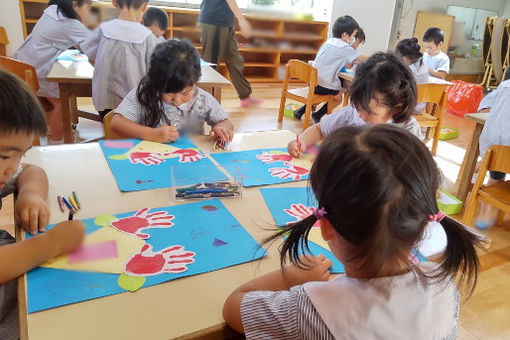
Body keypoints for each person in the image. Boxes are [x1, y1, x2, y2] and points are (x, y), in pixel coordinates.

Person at [223, 124, 483, 339]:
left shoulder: (309, 309)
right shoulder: (445, 286)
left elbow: (233, 307)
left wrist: (291, 278)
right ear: (425, 223)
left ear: (325, 228)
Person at [0, 69, 85, 340]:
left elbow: (31, 170)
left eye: (19, 153)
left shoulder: (8, 168)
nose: (11, 167)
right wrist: (50, 244)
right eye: (4, 156)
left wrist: (31, 195)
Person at [288, 52, 422, 158]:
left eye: (369, 111)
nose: (360, 114)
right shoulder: (352, 114)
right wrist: (301, 143)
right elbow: (319, 129)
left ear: (397, 108)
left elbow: (415, 173)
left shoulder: (408, 131)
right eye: (358, 106)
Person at [110, 39, 233, 143]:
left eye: (185, 93)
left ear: (195, 82)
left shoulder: (202, 99)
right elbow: (116, 123)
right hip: (154, 158)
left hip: (191, 161)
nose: (177, 100)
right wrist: (152, 134)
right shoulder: (145, 94)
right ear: (156, 81)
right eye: (168, 92)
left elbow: (225, 121)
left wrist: (222, 128)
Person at [15, 0, 91, 143]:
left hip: (25, 64)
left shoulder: (53, 10)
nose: (89, 11)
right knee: (59, 100)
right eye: (88, 6)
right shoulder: (69, 24)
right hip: (37, 71)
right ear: (75, 4)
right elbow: (92, 47)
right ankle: (58, 140)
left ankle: (53, 129)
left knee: (53, 97)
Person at [81, 0, 158, 120]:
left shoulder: (104, 29)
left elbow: (91, 58)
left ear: (114, 2)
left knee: (109, 129)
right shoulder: (148, 37)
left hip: (105, 100)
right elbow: (155, 73)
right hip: (136, 104)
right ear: (144, 6)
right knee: (131, 135)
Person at [295, 15, 366, 123]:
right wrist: (376, 58)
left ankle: (300, 111)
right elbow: (360, 59)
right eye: (353, 35)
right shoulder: (345, 47)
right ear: (345, 35)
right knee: (338, 98)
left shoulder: (329, 42)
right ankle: (317, 115)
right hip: (323, 84)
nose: (353, 38)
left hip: (313, 82)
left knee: (334, 88)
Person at [198, 0, 262, 108]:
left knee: (234, 59)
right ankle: (204, 103)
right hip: (214, 21)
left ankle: (245, 96)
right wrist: (241, 20)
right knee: (211, 64)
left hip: (225, 23)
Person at [475, 71, 510, 229]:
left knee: (495, 175)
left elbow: (483, 109)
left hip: (492, 150)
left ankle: (485, 214)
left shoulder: (503, 87)